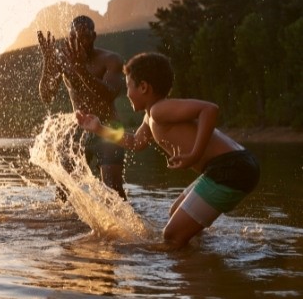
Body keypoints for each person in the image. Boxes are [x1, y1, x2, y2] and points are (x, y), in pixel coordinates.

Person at [76, 52, 260, 250]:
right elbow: (136, 142)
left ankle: (188, 265)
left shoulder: (160, 110)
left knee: (171, 237)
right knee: (175, 215)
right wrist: (98, 128)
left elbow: (209, 109)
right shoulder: (150, 117)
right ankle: (201, 256)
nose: (127, 93)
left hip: (231, 168)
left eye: (129, 86)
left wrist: (194, 155)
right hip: (232, 167)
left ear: (144, 87)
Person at [38, 15, 127, 200]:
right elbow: (47, 96)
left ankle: (127, 229)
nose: (78, 42)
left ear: (94, 36)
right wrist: (48, 62)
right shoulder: (64, 60)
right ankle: (69, 228)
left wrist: (81, 70)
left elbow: (109, 93)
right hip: (78, 130)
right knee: (63, 192)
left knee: (113, 191)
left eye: (84, 37)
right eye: (73, 37)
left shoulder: (111, 59)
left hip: (109, 127)